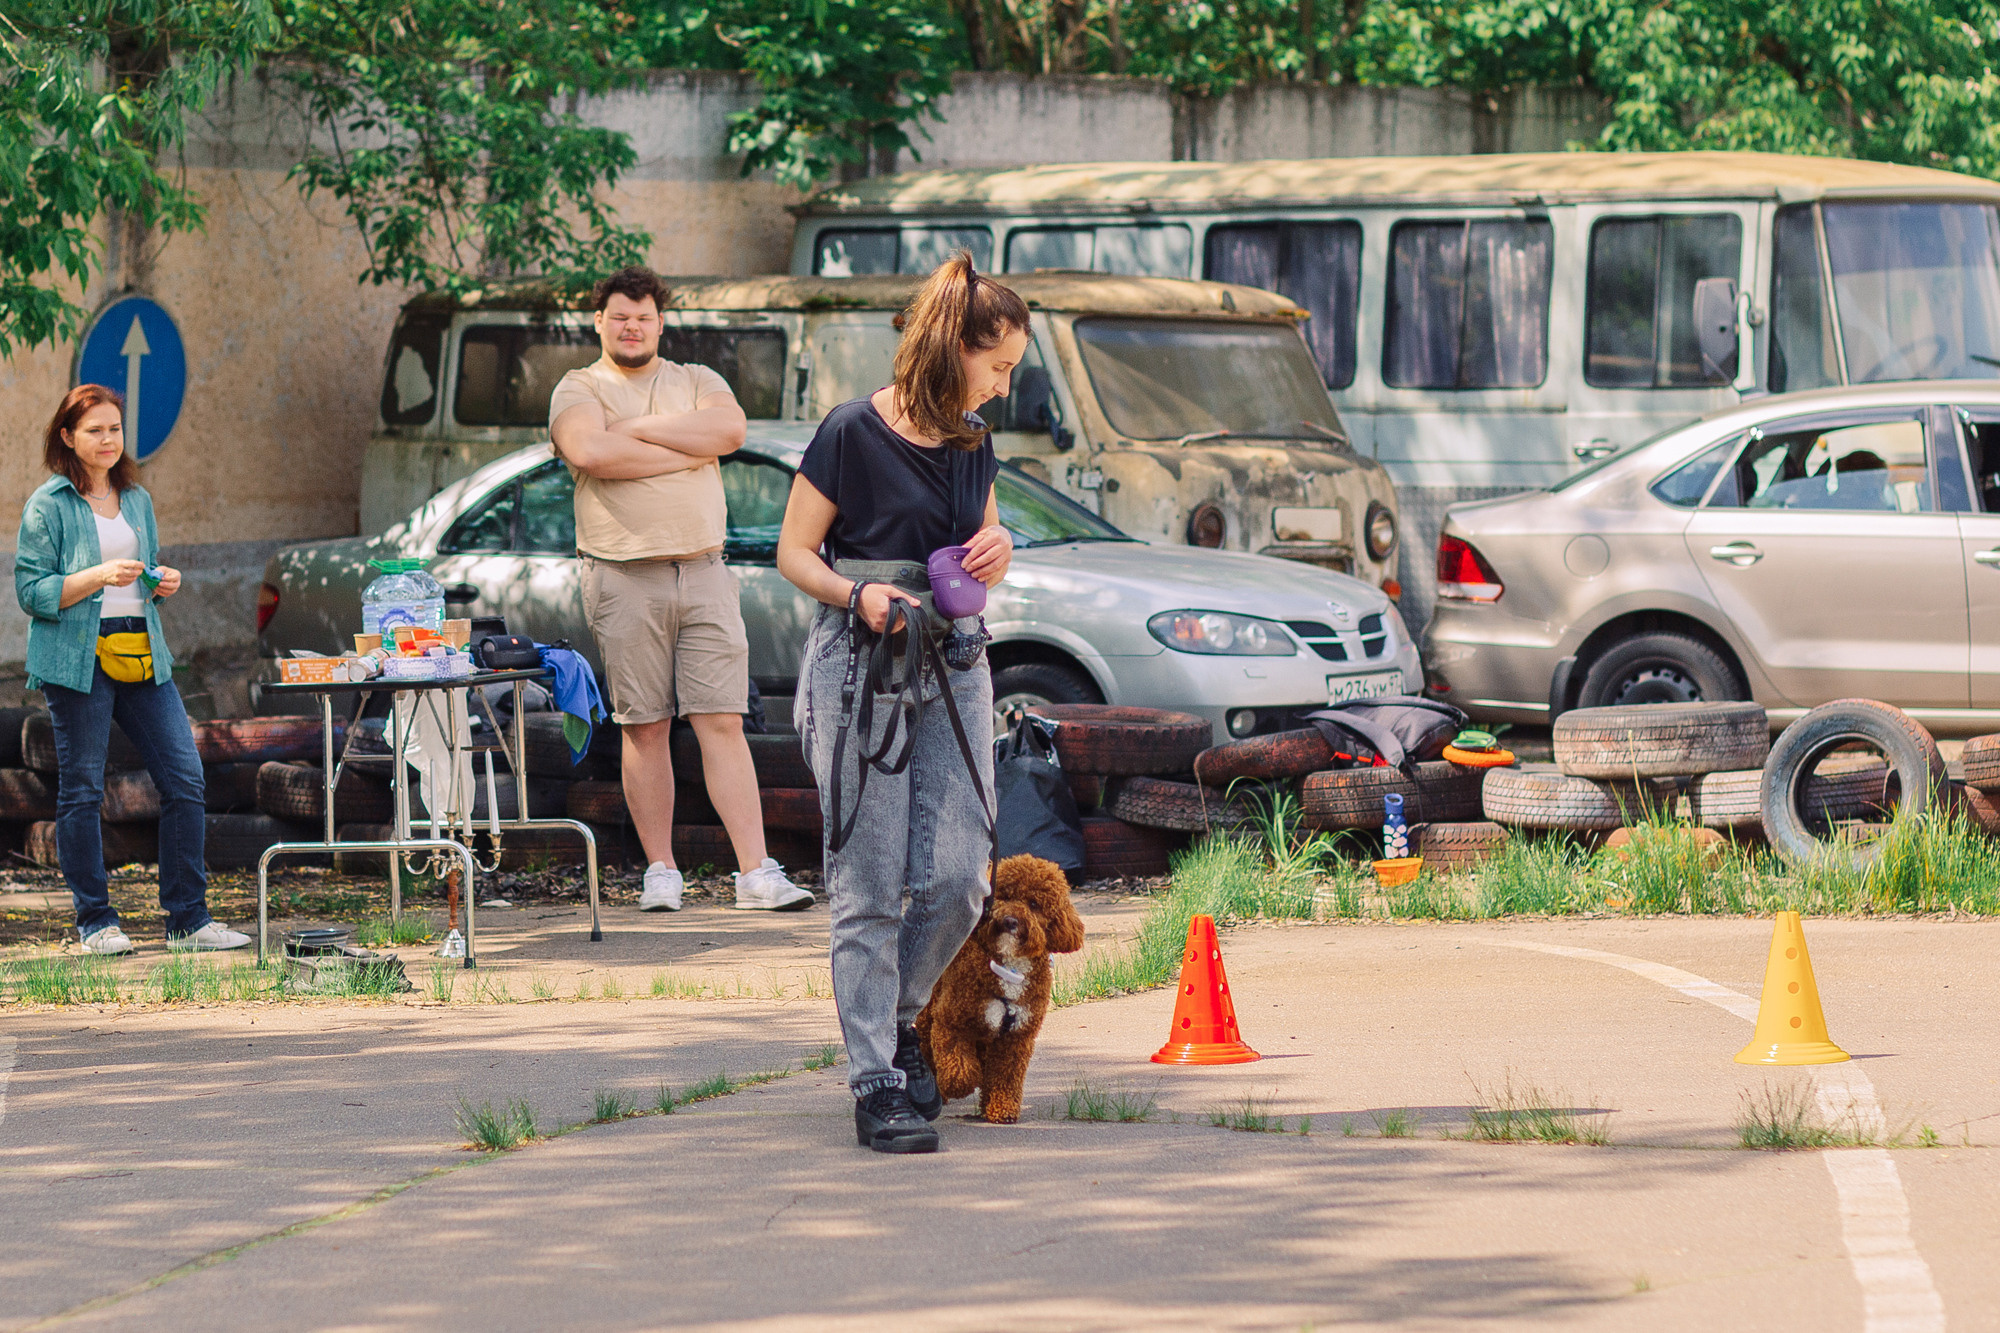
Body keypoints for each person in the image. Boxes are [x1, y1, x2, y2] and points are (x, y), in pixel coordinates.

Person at [776, 253, 1025, 1153]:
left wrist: (998, 547)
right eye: (998, 366)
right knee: (871, 878)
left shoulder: (974, 442)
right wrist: (857, 594)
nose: (1002, 387)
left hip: (955, 656)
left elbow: (980, 548)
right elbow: (792, 553)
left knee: (960, 876)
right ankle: (875, 1078)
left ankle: (902, 1014)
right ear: (955, 346)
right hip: (863, 660)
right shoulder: (851, 430)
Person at [550, 265, 811, 913]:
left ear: (660, 323)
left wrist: (633, 431)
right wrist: (686, 447)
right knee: (645, 726)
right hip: (622, 575)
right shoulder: (579, 386)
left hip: (704, 571)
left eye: (643, 317)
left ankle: (755, 873)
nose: (631, 327)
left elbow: (730, 433)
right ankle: (661, 871)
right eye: (620, 316)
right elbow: (590, 452)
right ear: (599, 322)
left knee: (722, 719)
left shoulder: (698, 379)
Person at [15, 385, 248, 954]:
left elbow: (144, 574)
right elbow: (31, 591)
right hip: (78, 658)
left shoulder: (136, 498)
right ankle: (96, 922)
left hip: (142, 651)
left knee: (185, 777)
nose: (107, 439)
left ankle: (188, 922)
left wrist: (161, 582)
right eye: (94, 430)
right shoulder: (48, 504)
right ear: (67, 436)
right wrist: (98, 575)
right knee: (83, 790)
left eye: (114, 429)